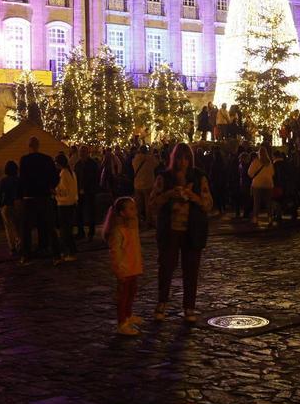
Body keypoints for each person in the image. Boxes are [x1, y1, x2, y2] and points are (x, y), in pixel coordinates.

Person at [149, 142, 213, 324]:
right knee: (166, 267)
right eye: (179, 158)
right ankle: (162, 302)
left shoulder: (199, 177)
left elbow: (208, 204)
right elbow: (152, 203)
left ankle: (189, 306)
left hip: (192, 230)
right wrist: (169, 194)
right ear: (173, 158)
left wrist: (193, 197)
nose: (182, 162)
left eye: (186, 158)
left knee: (191, 269)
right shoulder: (164, 177)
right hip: (170, 229)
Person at [103, 196, 144, 335]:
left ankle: (128, 315)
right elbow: (116, 252)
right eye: (131, 209)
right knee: (123, 295)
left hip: (133, 265)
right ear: (122, 213)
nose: (135, 211)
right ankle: (122, 323)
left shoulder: (132, 224)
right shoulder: (118, 230)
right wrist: (118, 270)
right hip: (124, 267)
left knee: (132, 291)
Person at [18, 136, 60, 265]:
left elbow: (22, 179)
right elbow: (55, 176)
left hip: (30, 197)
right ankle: (55, 254)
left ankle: (26, 255)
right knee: (49, 226)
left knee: (26, 228)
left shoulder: (24, 160)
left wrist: (22, 193)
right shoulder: (47, 159)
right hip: (44, 196)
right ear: (38, 145)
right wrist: (51, 187)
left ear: (29, 146)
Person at [53, 153, 79, 262]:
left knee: (65, 230)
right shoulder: (71, 172)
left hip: (64, 204)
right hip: (72, 202)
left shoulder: (63, 173)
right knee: (68, 229)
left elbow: (63, 190)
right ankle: (71, 251)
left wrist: (55, 192)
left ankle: (69, 252)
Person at [131, 145, 160, 230]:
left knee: (139, 205)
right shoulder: (150, 159)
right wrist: (151, 154)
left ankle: (138, 222)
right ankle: (148, 222)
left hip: (137, 184)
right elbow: (157, 163)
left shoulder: (135, 159)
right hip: (148, 184)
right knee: (148, 205)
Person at [75, 146, 100, 240]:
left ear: (87, 152)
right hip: (80, 191)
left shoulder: (92, 164)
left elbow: (95, 177)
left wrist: (90, 188)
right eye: (81, 151)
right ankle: (81, 232)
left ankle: (91, 232)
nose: (82, 153)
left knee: (90, 212)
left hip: (89, 191)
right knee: (79, 212)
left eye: (84, 151)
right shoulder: (78, 164)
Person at [0, 160, 21, 256]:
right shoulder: (19, 180)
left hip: (6, 205)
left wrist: (0, 205)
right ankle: (20, 245)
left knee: (8, 228)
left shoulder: (3, 180)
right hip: (17, 205)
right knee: (18, 227)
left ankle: (12, 247)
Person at [248, 145, 275, 226]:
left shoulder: (256, 161)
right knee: (268, 202)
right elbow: (273, 173)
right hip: (268, 184)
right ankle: (270, 218)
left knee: (256, 202)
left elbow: (250, 173)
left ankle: (255, 218)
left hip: (257, 184)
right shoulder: (269, 162)